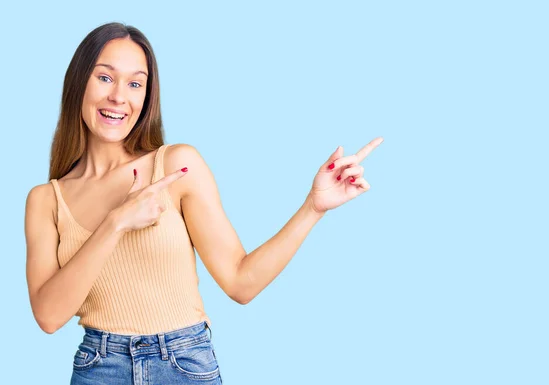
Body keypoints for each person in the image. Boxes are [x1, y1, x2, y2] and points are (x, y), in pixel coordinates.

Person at [24, 22, 383, 385]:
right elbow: (49, 317)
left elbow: (241, 283)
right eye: (105, 78)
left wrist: (313, 208)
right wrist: (116, 223)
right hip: (99, 368)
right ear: (78, 82)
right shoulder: (46, 200)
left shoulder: (177, 167)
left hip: (183, 365)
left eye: (135, 83)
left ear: (146, 97)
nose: (119, 96)